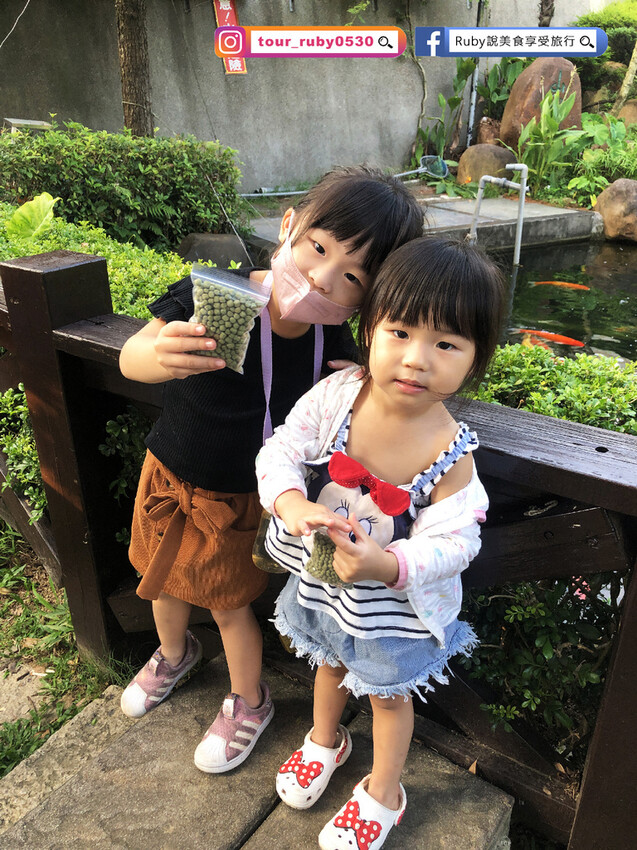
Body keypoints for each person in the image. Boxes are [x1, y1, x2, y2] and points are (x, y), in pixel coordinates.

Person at [117, 165, 425, 778]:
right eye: (318, 247)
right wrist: (159, 354)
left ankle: (249, 700)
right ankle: (173, 653)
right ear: (289, 225)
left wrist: (359, 385)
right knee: (160, 581)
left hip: (244, 499)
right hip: (167, 474)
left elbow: (367, 411)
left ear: (369, 298)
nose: (321, 278)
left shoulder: (336, 345)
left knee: (231, 606)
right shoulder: (215, 296)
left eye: (352, 277)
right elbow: (132, 357)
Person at [255, 236, 505, 849]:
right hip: (325, 585)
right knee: (327, 660)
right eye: (400, 332)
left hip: (392, 611)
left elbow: (456, 542)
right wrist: (290, 501)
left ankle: (385, 792)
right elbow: (282, 447)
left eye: (446, 344)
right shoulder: (339, 395)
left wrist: (389, 564)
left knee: (389, 700)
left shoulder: (451, 453)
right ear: (369, 329)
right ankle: (325, 740)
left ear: (476, 358)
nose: (417, 359)